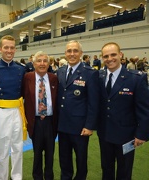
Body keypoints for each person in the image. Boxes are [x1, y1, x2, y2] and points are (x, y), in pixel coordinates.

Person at [97, 42, 149, 180]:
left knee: (124, 171)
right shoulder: (98, 77)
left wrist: (142, 134)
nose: (110, 58)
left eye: (113, 54)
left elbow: (144, 109)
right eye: (106, 56)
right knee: (106, 168)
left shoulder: (136, 78)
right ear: (102, 58)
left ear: (120, 55)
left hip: (126, 135)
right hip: (105, 133)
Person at [57, 40, 99, 180]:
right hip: (63, 125)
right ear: (65, 53)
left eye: (75, 51)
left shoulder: (90, 73)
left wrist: (89, 125)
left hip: (80, 127)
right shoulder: (60, 71)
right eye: (69, 51)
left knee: (81, 159)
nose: (72, 54)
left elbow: (94, 102)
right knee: (64, 158)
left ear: (81, 54)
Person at [0, 35, 27, 180]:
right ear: (0, 49)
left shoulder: (22, 69)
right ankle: (1, 177)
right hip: (1, 113)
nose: (9, 51)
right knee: (1, 150)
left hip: (17, 111)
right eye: (6, 47)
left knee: (18, 148)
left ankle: (17, 177)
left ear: (15, 49)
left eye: (12, 48)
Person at [23, 51, 58, 180]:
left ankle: (49, 176)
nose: (42, 63)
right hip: (35, 121)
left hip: (50, 122)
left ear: (49, 63)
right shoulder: (27, 78)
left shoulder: (54, 78)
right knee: (37, 153)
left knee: (50, 153)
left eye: (45, 61)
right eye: (39, 61)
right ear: (34, 63)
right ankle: (37, 177)